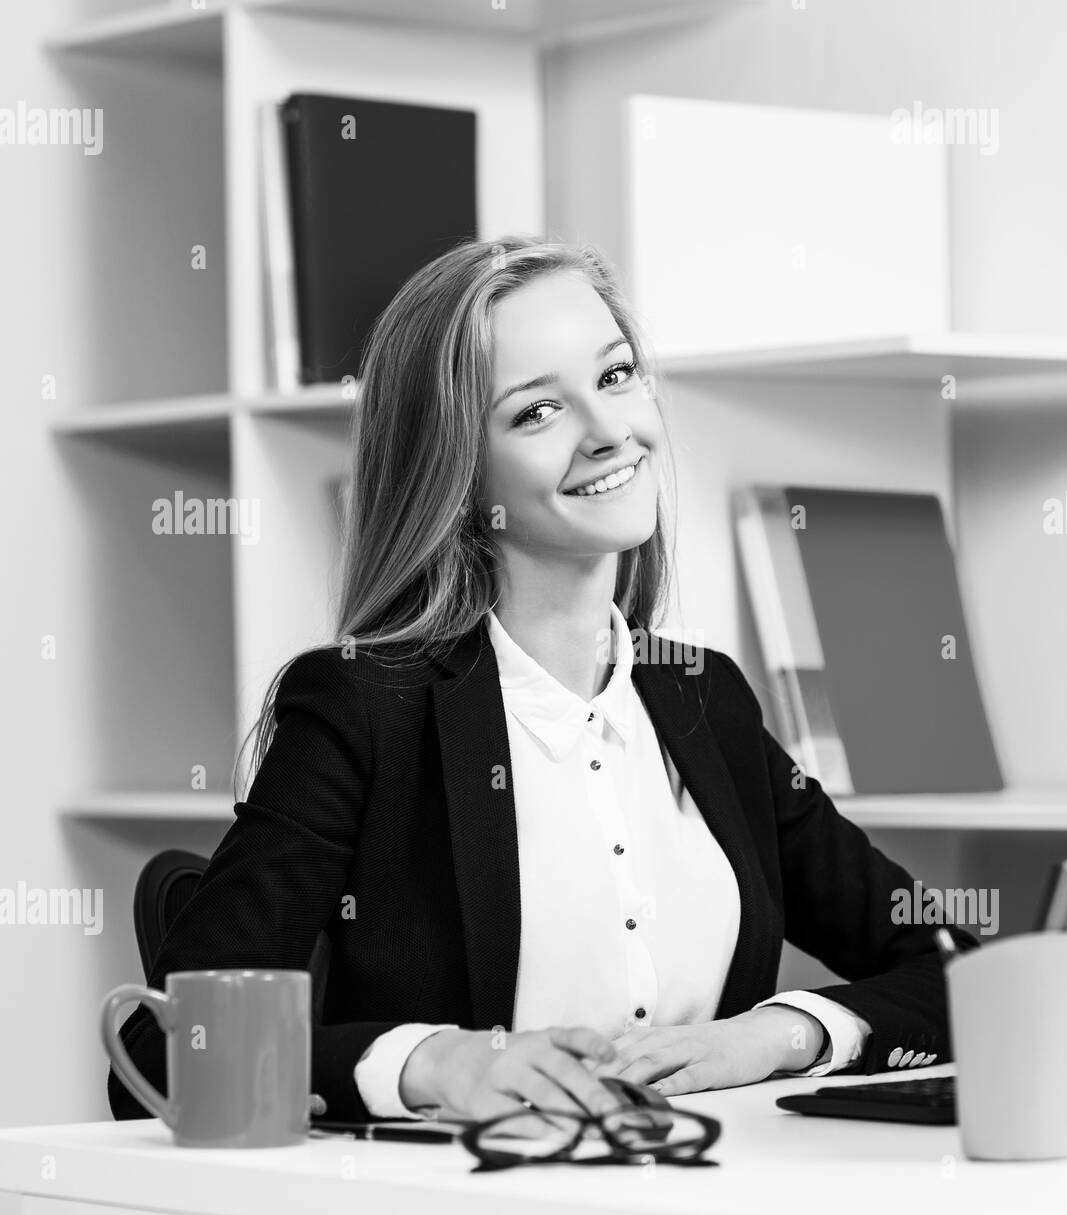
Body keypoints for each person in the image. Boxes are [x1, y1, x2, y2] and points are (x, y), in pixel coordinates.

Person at [108, 235, 977, 1128]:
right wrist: (437, 1063)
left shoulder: (701, 697)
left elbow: (962, 969)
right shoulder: (365, 706)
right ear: (453, 468)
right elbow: (165, 1048)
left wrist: (771, 1036)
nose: (610, 433)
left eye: (615, 376)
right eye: (535, 413)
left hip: (714, 1203)